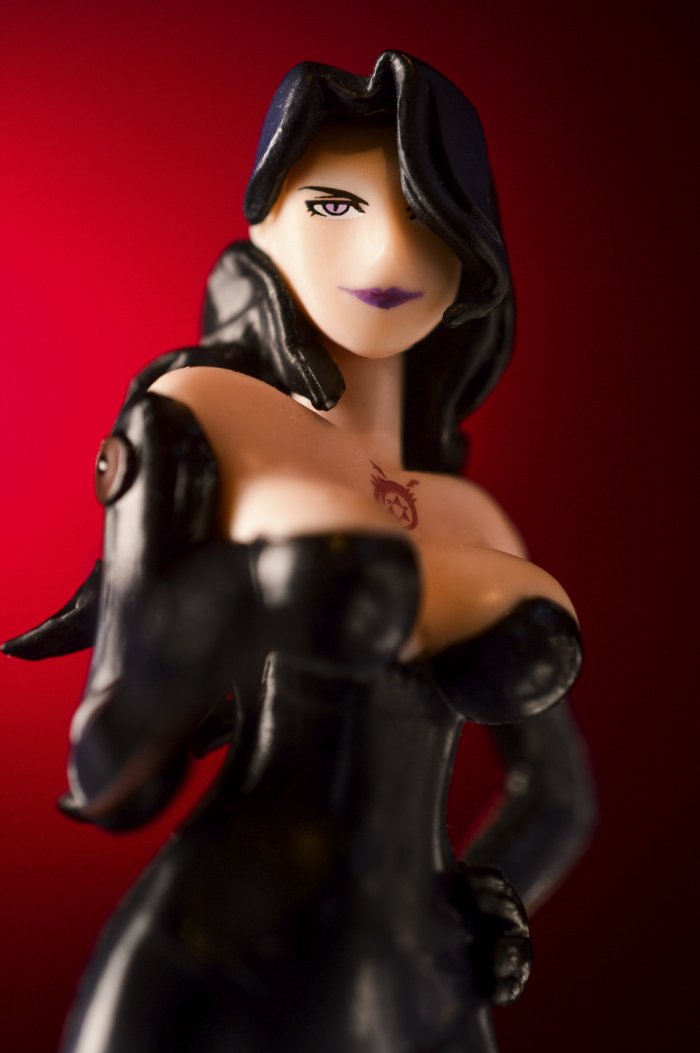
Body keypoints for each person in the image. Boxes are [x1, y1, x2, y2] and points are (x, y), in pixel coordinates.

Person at [4, 51, 593, 1052]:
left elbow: (559, 798)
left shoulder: (473, 516)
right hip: (214, 967)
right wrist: (258, 597)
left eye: (424, 217)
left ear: (471, 254)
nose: (386, 251)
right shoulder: (203, 416)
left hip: (427, 1000)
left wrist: (495, 900)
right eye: (332, 206)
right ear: (264, 223)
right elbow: (107, 768)